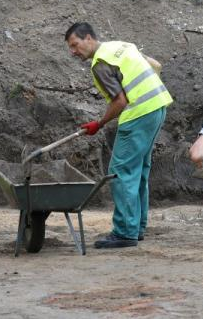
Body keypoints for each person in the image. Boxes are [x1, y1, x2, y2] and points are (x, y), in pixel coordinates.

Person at [65, 22, 172, 249]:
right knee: (139, 170)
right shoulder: (120, 46)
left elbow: (120, 102)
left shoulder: (100, 64)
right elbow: (155, 65)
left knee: (120, 171)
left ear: (89, 38)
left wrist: (99, 123)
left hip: (139, 113)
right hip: (158, 106)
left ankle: (125, 231)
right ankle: (136, 227)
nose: (73, 52)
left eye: (75, 45)